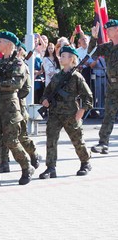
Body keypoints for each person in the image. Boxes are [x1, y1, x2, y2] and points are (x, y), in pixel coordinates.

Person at [0, 31, 34, 188]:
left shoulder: (19, 64)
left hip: (9, 108)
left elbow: (15, 84)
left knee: (11, 141)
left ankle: (26, 167)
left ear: (10, 44)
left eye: (1, 41)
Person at [39, 46, 93, 179]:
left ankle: (85, 162)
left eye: (64, 56)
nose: (61, 58)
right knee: (51, 139)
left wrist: (82, 110)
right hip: (55, 113)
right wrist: (45, 100)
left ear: (71, 59)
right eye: (61, 55)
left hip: (70, 113)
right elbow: (46, 92)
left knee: (77, 139)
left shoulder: (76, 77)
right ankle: (51, 168)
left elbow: (88, 96)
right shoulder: (57, 76)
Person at [0, 43, 40, 173]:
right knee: (3, 134)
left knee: (21, 137)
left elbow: (26, 88)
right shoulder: (4, 65)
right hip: (3, 104)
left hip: (18, 106)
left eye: (21, 49)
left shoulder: (23, 67)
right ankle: (4, 162)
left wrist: (15, 96)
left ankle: (33, 154)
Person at [90, 20, 118, 155]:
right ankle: (103, 143)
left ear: (117, 30)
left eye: (110, 29)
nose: (107, 31)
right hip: (112, 86)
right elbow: (92, 52)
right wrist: (94, 38)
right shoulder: (107, 47)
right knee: (108, 115)